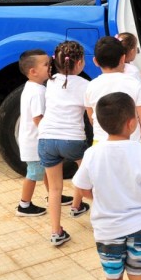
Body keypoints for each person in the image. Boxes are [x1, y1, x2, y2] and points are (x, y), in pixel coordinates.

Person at [73, 92, 141, 280]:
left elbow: (82, 187)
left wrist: (98, 198)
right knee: (138, 274)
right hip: (138, 227)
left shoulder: (92, 154)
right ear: (132, 123)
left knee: (113, 275)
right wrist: (138, 195)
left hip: (107, 230)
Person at [38, 40, 90, 246]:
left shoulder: (49, 82)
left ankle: (56, 232)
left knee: (55, 190)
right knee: (85, 175)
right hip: (73, 140)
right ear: (78, 63)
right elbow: (91, 116)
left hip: (46, 140)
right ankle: (77, 206)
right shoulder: (86, 85)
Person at [85, 36, 141, 144]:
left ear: (95, 61)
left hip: (100, 143)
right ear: (123, 59)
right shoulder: (133, 83)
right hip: (131, 141)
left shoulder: (90, 86)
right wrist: (137, 133)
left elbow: (92, 118)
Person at [16, 49, 52, 216]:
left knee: (46, 169)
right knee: (33, 174)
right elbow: (38, 119)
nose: (50, 66)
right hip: (35, 142)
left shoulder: (31, 87)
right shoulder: (38, 92)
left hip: (32, 140)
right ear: (33, 71)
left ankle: (53, 195)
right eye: (46, 65)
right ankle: (24, 205)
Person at [117, 32, 141, 97]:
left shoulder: (117, 67)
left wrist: (140, 77)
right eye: (136, 48)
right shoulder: (132, 70)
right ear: (132, 52)